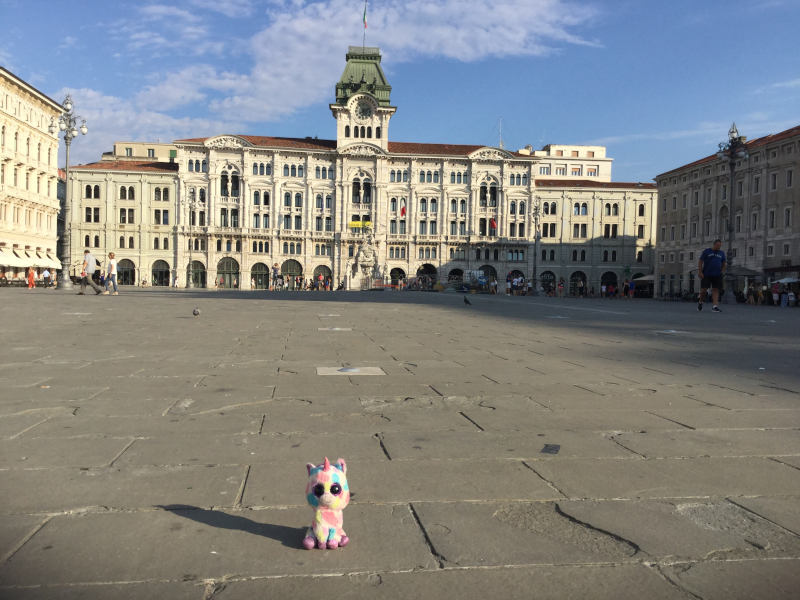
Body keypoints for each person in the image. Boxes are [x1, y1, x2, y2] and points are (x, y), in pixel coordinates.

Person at [698, 239, 726, 312]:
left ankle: (715, 306)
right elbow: (700, 261)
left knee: (716, 290)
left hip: (717, 274)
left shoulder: (721, 253)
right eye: (717, 245)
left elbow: (723, 263)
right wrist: (700, 272)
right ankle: (700, 302)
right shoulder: (707, 251)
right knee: (703, 290)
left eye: (720, 246)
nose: (719, 247)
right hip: (706, 274)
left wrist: (722, 271)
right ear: (714, 245)